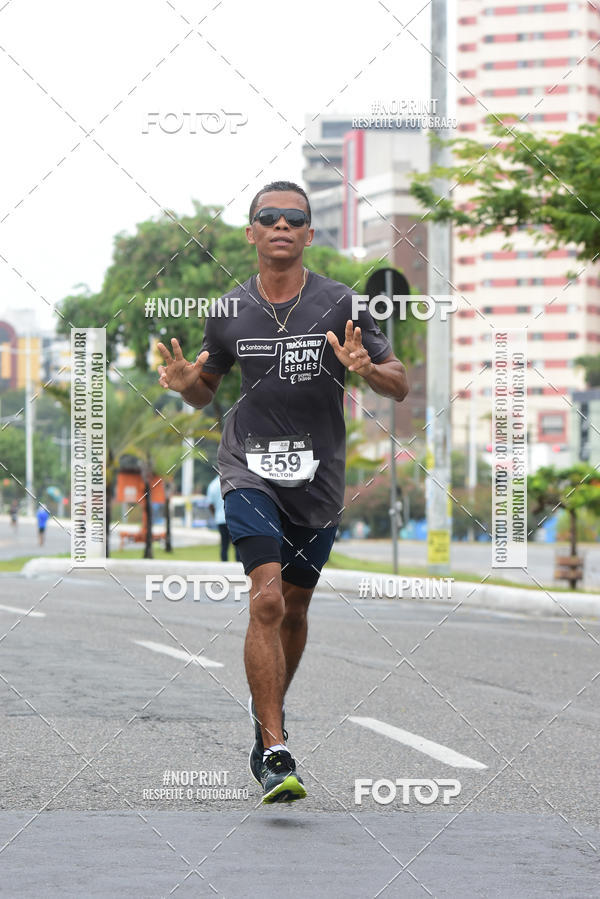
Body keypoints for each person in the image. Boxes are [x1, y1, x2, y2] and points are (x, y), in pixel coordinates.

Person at [157, 180, 408, 804]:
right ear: (251, 232)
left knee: (294, 609)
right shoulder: (229, 310)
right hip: (249, 468)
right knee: (265, 599)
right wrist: (187, 382)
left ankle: (268, 719)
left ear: (308, 235)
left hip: (317, 479)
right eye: (268, 217)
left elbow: (398, 383)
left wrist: (367, 369)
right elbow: (204, 391)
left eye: (294, 219)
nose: (281, 226)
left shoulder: (341, 302)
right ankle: (274, 748)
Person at [206, 473, 239, 562]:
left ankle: (224, 565)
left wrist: (215, 514)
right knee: (237, 544)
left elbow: (210, 504)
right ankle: (239, 565)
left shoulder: (212, 485)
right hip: (234, 519)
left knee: (224, 545)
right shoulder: (232, 482)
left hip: (220, 519)